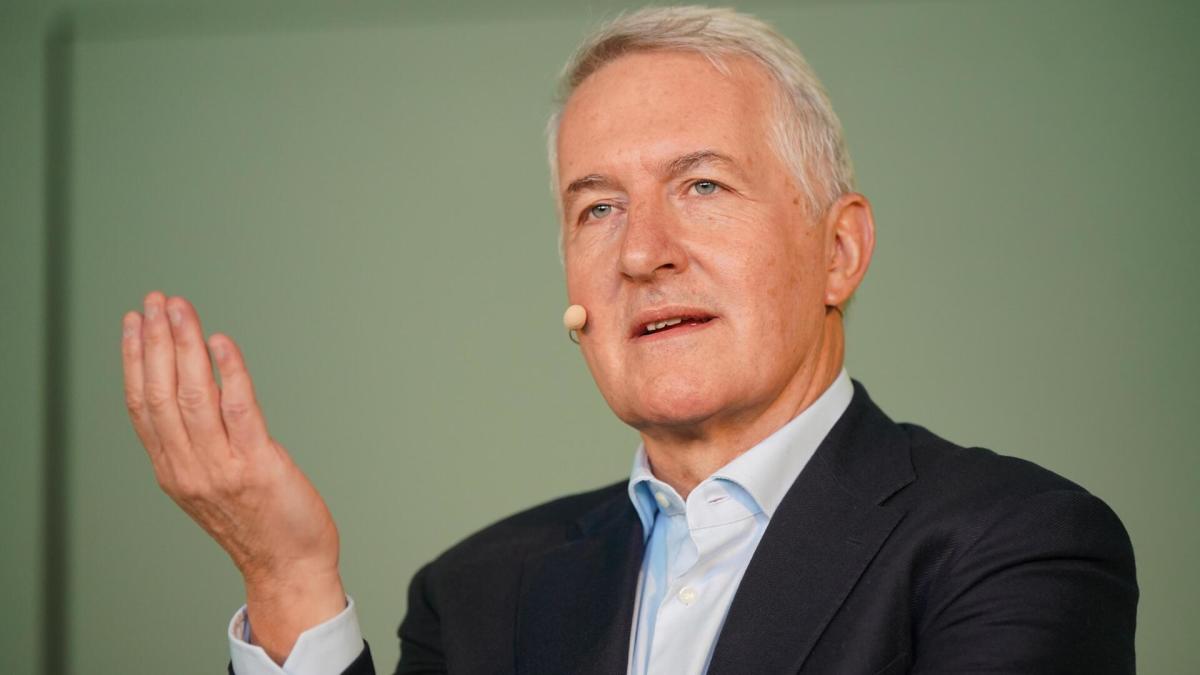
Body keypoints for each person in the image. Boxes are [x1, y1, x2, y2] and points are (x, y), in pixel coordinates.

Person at [120, 6, 1138, 674]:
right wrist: (288, 581)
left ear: (839, 252)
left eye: (703, 185)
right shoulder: (475, 597)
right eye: (598, 208)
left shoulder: (1018, 547)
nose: (644, 252)